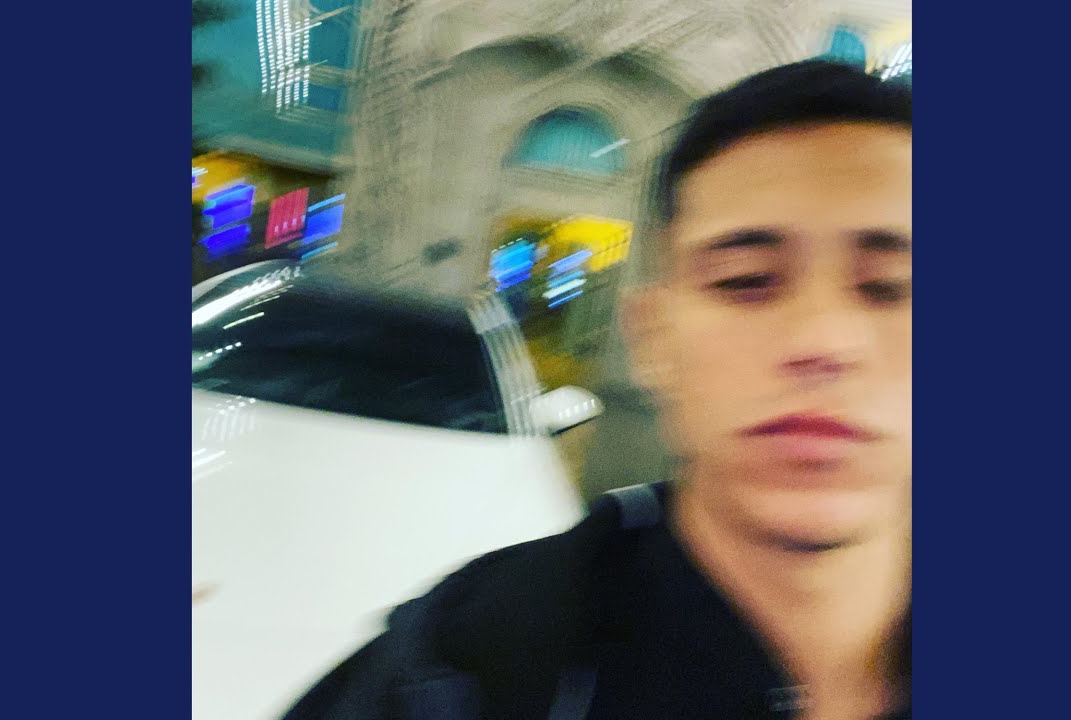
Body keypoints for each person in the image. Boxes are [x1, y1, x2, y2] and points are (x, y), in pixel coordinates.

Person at [283, 58, 912, 720]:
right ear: (651, 337)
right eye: (746, 279)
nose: (821, 341)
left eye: (895, 287)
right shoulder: (456, 670)